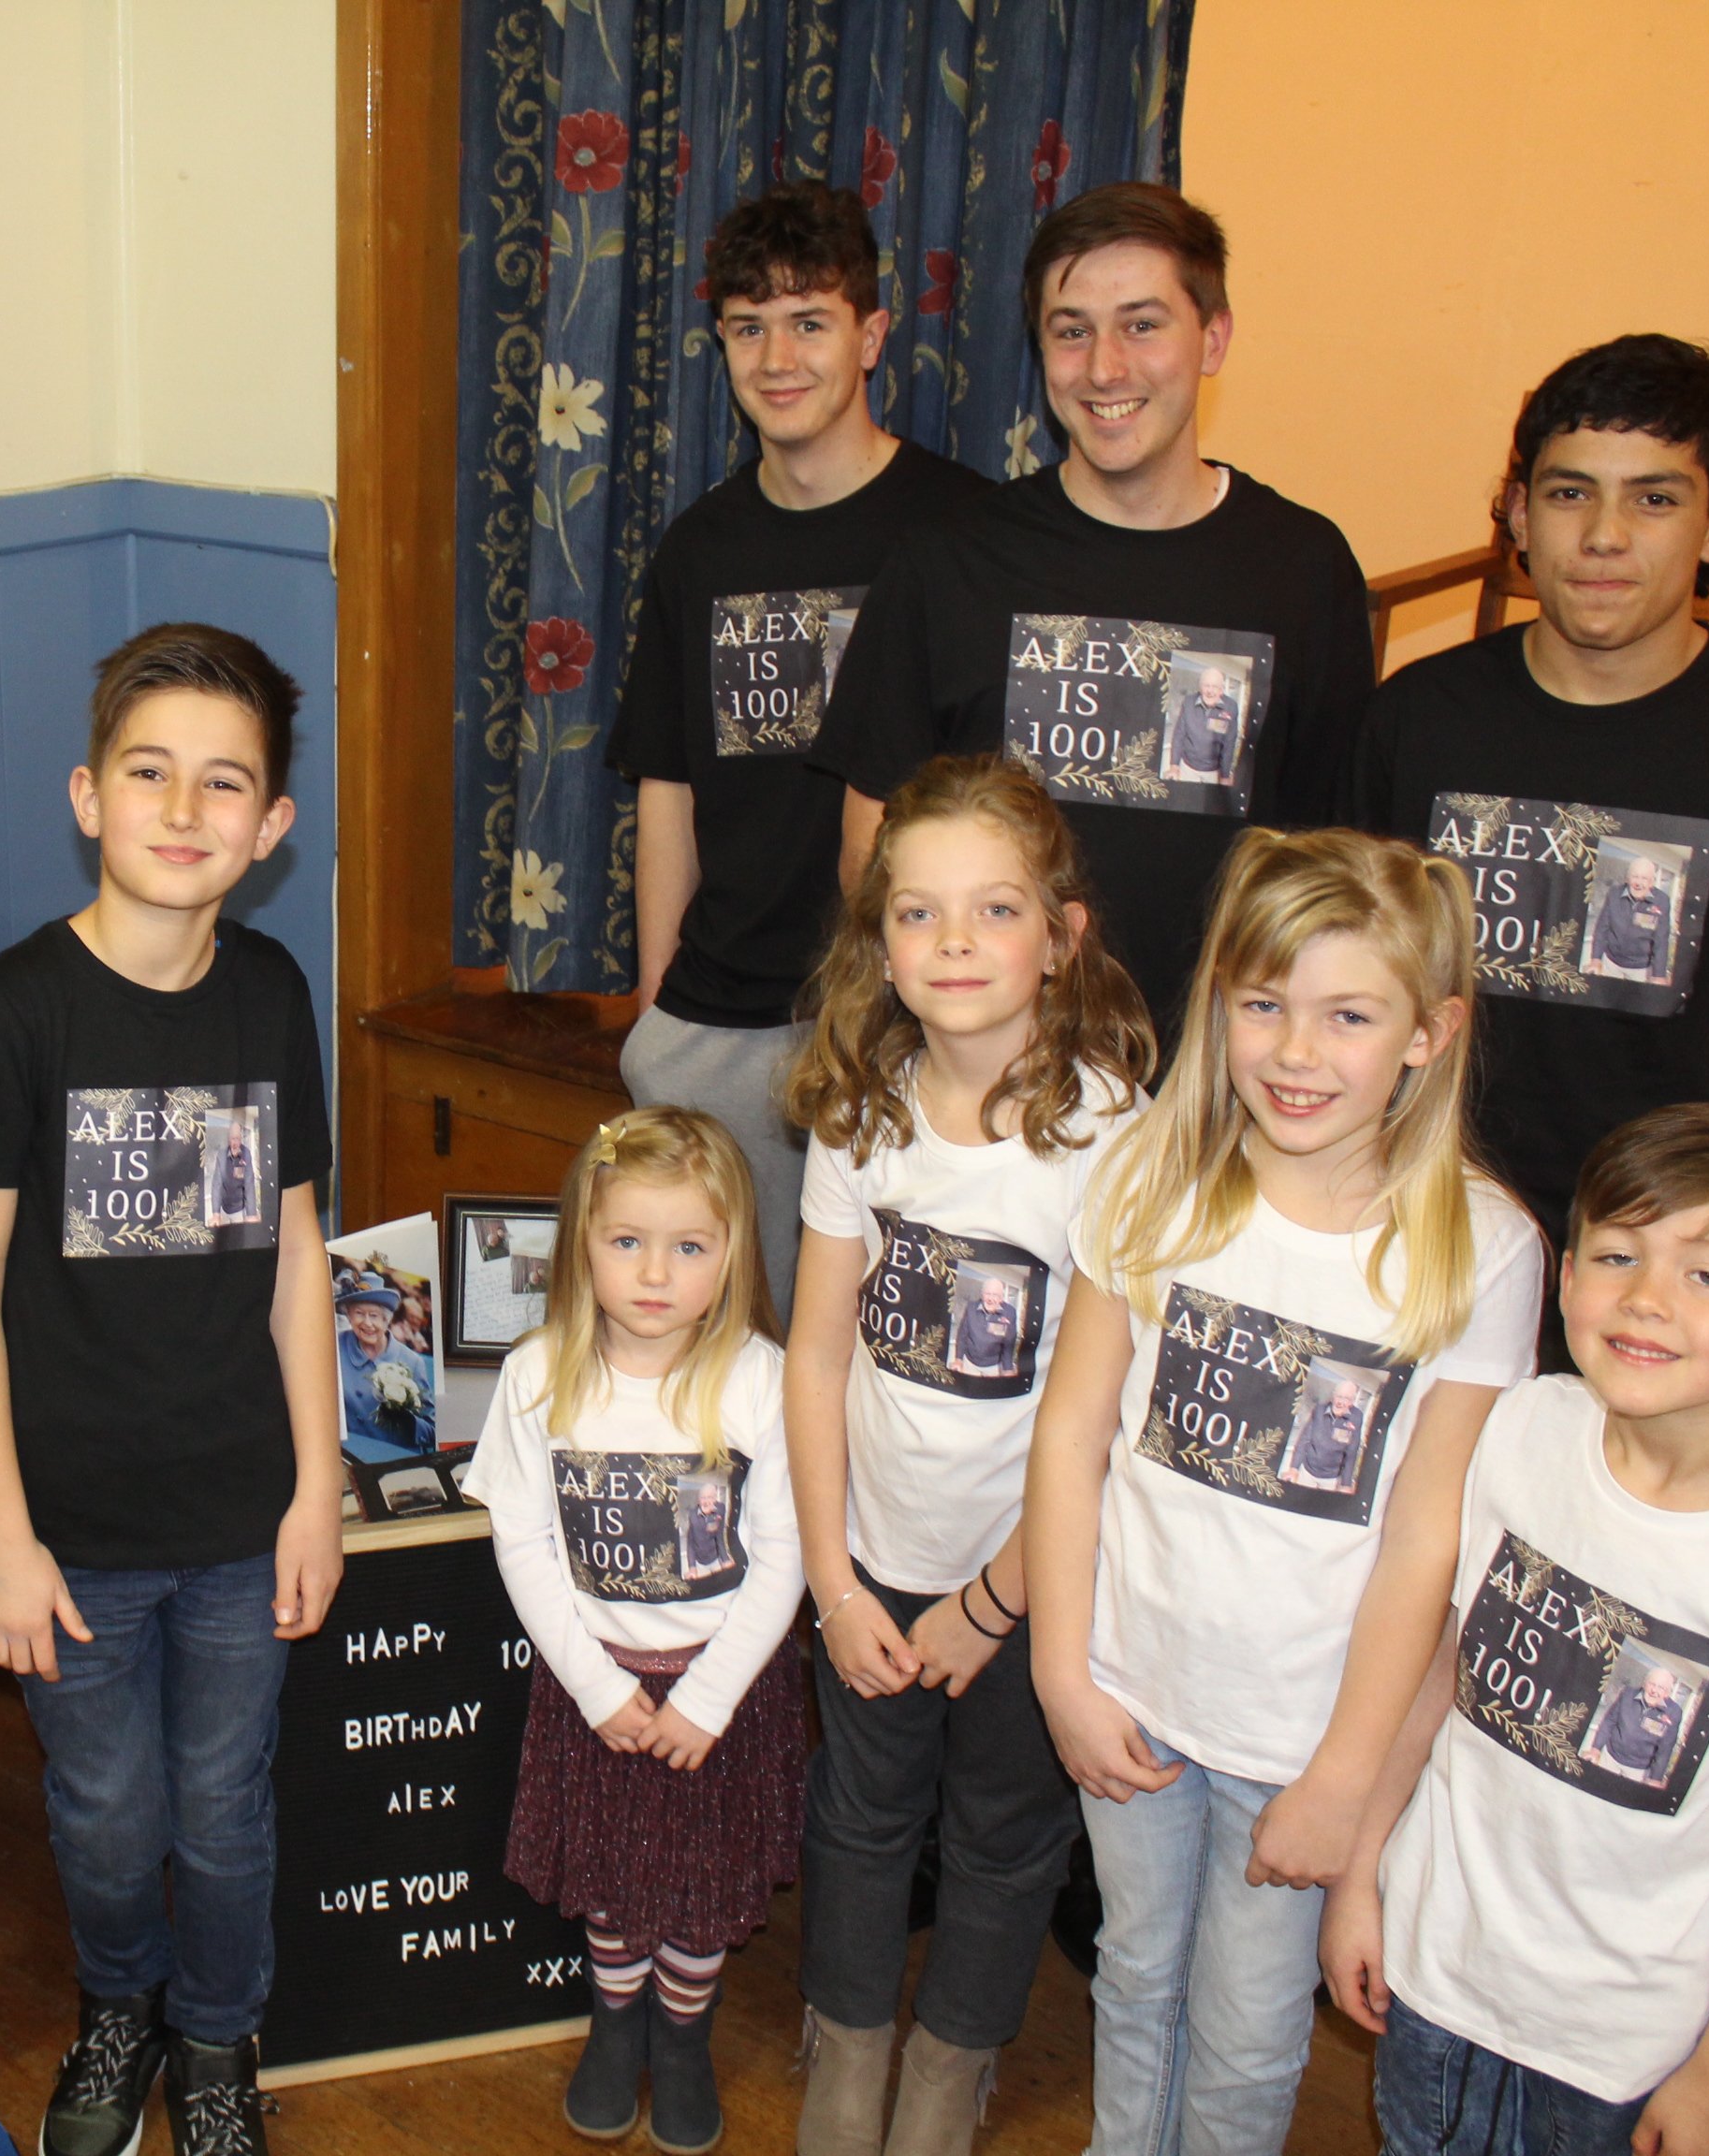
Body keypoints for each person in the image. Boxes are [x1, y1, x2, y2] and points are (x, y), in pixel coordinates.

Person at [1019, 829, 1545, 2156]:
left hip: (1303, 1737)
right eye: (1264, 1006)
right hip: (1133, 1687)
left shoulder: (1481, 1248)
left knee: (1251, 2034)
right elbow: (1074, 1429)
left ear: (1429, 1033)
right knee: (1134, 1975)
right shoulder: (1150, 1175)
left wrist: (1348, 1780)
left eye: (1348, 1016)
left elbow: (1431, 1541)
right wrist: (1063, 1673)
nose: (1296, 1054)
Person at [0, 624, 343, 2156]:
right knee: (105, 1809)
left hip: (241, 1506)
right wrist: (3, 1533)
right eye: (151, 772)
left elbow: (297, 1252)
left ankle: (221, 2032)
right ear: (88, 795)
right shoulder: (18, 1010)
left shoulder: (270, 989)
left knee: (226, 1798)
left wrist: (316, 1485)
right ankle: (125, 2003)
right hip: (73, 1524)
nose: (185, 807)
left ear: (271, 825)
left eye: (224, 782)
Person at [1323, 1105, 1709, 2156]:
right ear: (1568, 1275)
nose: (1647, 1299)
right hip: (1439, 1970)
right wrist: (1364, 1873)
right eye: (1619, 1254)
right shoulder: (1524, 1429)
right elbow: (1444, 1669)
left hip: (1618, 2048)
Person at [1348, 335, 1709, 1318]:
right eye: (1569, 494)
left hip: (1651, 1259)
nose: (1604, 536)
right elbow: (1346, 987)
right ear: (1518, 513)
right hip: (1421, 1228)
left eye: (1654, 499)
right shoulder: (1418, 718)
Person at [777, 757, 1152, 2156]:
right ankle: (851, 2040)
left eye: (993, 911)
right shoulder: (861, 1104)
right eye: (918, 914)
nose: (951, 945)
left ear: (1062, 936)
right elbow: (816, 1354)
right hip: (874, 1559)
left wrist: (996, 1605)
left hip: (1032, 1579)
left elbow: (1100, 1417)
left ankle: (953, 2060)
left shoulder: (1109, 1131)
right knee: (862, 1816)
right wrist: (836, 1585)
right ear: (880, 944)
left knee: (1003, 1833)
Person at [813, 182, 1377, 1039]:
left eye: (1143, 324)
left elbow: (1332, 862)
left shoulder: (1303, 568)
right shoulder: (949, 558)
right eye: (1071, 331)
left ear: (1214, 337)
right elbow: (873, 840)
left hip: (1218, 1087)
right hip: (992, 1075)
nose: (1106, 368)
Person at [608, 181, 1000, 1318]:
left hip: (903, 1024)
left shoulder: (964, 536)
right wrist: (654, 1009)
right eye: (747, 325)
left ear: (873, 335)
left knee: (885, 1359)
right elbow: (667, 788)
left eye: (810, 320)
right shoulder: (699, 549)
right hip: (724, 1021)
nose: (777, 356)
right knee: (728, 1355)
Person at [466, 1107, 806, 2154]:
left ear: (730, 1256)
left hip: (720, 1695)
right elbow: (522, 1543)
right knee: (612, 1884)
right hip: (598, 1687)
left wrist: (706, 1700)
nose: (655, 1273)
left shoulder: (759, 1380)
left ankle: (683, 2032)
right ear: (584, 1245)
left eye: (689, 1247)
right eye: (628, 1242)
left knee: (700, 1895)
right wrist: (596, 1689)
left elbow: (785, 1555)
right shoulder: (538, 1375)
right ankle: (618, 2018)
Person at [336, 1279, 436, 1455]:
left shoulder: (412, 1361)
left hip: (392, 1458)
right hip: (349, 1455)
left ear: (386, 1319)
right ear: (349, 1317)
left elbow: (432, 1429)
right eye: (359, 1313)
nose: (367, 1323)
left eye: (374, 1315)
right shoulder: (335, 1346)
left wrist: (406, 1420)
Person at [1586, 855, 1672, 982]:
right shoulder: (1614, 894)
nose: (1638, 883)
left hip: (1641, 970)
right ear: (1627, 878)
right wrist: (1596, 959)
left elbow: (1661, 941)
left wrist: (1658, 975)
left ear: (1651, 882)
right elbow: (1601, 928)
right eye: (1635, 876)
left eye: (1644, 878)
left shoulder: (1662, 901)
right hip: (1612, 963)